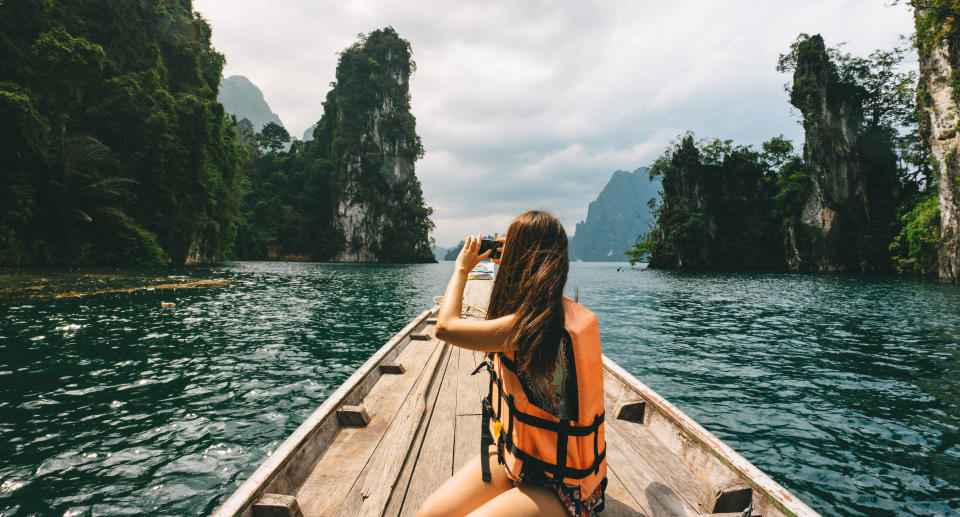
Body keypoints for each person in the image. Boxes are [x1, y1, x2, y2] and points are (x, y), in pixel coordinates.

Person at [418, 210, 607, 517]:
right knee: (430, 513)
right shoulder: (535, 314)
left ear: (522, 256)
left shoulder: (533, 326)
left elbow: (446, 327)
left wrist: (462, 269)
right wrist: (511, 267)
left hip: (563, 488)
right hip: (522, 459)